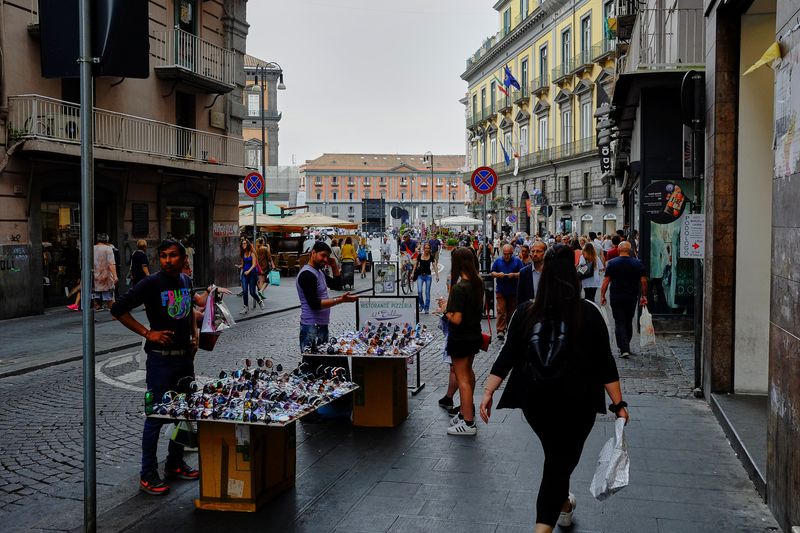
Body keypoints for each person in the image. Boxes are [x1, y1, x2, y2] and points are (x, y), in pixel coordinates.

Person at [479, 244, 628, 532]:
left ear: (544, 276)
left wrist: (488, 392)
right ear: (572, 276)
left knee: (557, 457)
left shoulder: (525, 312)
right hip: (579, 402)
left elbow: (507, 354)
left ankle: (564, 504)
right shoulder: (589, 313)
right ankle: (543, 526)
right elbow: (605, 363)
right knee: (559, 462)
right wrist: (619, 405)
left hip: (537, 401)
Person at [111, 239, 200, 495]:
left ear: (183, 258)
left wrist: (194, 335)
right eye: (163, 256)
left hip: (184, 359)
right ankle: (148, 473)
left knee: (184, 413)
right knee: (156, 417)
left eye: (173, 255)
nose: (168, 260)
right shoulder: (151, 283)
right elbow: (117, 309)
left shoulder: (185, 281)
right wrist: (147, 333)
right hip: (160, 361)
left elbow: (188, 311)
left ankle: (175, 462)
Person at [436, 247, 484, 436]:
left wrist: (444, 309)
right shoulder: (478, 282)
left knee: (462, 377)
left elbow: (456, 319)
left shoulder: (459, 287)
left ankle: (468, 422)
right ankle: (465, 412)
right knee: (468, 373)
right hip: (474, 334)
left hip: (460, 337)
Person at [296, 241, 358, 350]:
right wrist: (341, 300)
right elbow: (314, 304)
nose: (325, 259)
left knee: (321, 362)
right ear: (313, 253)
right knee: (311, 362)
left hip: (321, 325)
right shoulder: (307, 274)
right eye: (323, 255)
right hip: (311, 326)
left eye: (327, 257)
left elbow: (337, 285)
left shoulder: (319, 272)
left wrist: (334, 266)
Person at [600, 241, 648, 358]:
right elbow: (643, 281)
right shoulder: (637, 263)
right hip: (631, 296)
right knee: (628, 321)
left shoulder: (612, 263)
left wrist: (602, 295)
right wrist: (644, 295)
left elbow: (606, 281)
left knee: (619, 321)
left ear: (618, 250)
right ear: (630, 250)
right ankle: (626, 346)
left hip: (616, 296)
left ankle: (624, 348)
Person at [490, 244, 524, 341]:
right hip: (501, 290)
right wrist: (498, 274)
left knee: (511, 312)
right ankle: (500, 330)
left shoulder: (517, 261)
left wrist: (513, 275)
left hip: (513, 291)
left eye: (508, 254)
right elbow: (492, 272)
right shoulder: (498, 261)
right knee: (501, 310)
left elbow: (522, 273)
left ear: (512, 253)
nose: (506, 256)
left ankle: (510, 329)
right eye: (505, 254)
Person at [237, 239, 263, 315]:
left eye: (244, 243)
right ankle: (246, 307)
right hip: (245, 274)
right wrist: (240, 266)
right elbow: (243, 264)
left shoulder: (252, 253)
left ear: (248, 244)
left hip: (252, 274)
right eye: (242, 244)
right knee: (245, 291)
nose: (243, 245)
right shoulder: (243, 254)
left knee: (252, 292)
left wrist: (248, 271)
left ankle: (259, 301)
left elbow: (254, 264)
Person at [93, 233, 118, 310]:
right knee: (110, 297)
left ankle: (91, 317)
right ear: (107, 240)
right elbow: (111, 264)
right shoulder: (108, 249)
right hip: (105, 277)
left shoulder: (92, 248)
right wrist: (115, 276)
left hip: (94, 277)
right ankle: (115, 314)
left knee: (93, 297)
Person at [412, 243, 435, 313]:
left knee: (427, 292)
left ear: (429, 249)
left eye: (428, 248)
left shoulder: (431, 256)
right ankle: (421, 305)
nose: (427, 249)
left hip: (428, 276)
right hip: (420, 276)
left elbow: (434, 266)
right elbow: (416, 264)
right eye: (425, 248)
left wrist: (437, 275)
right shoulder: (419, 256)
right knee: (419, 291)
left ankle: (426, 308)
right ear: (423, 248)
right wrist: (412, 273)